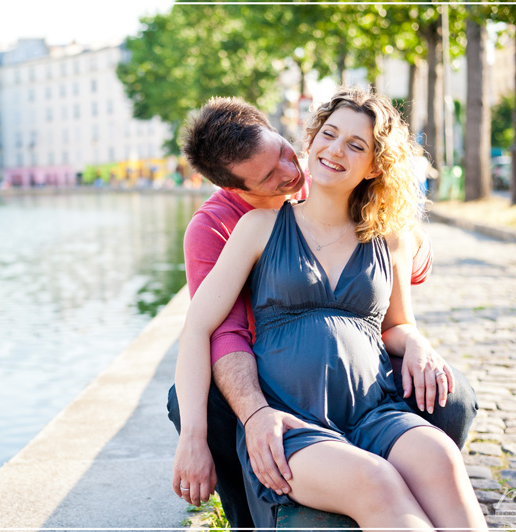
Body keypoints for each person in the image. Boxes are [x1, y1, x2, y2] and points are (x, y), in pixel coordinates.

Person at [172, 88, 486, 528]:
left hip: (375, 409)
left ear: (376, 164)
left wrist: (415, 340)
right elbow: (206, 329)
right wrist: (197, 436)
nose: (332, 151)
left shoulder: (389, 235)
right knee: (375, 480)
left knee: (441, 458)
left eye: (355, 144)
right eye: (330, 134)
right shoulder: (252, 227)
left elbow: (399, 322)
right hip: (292, 417)